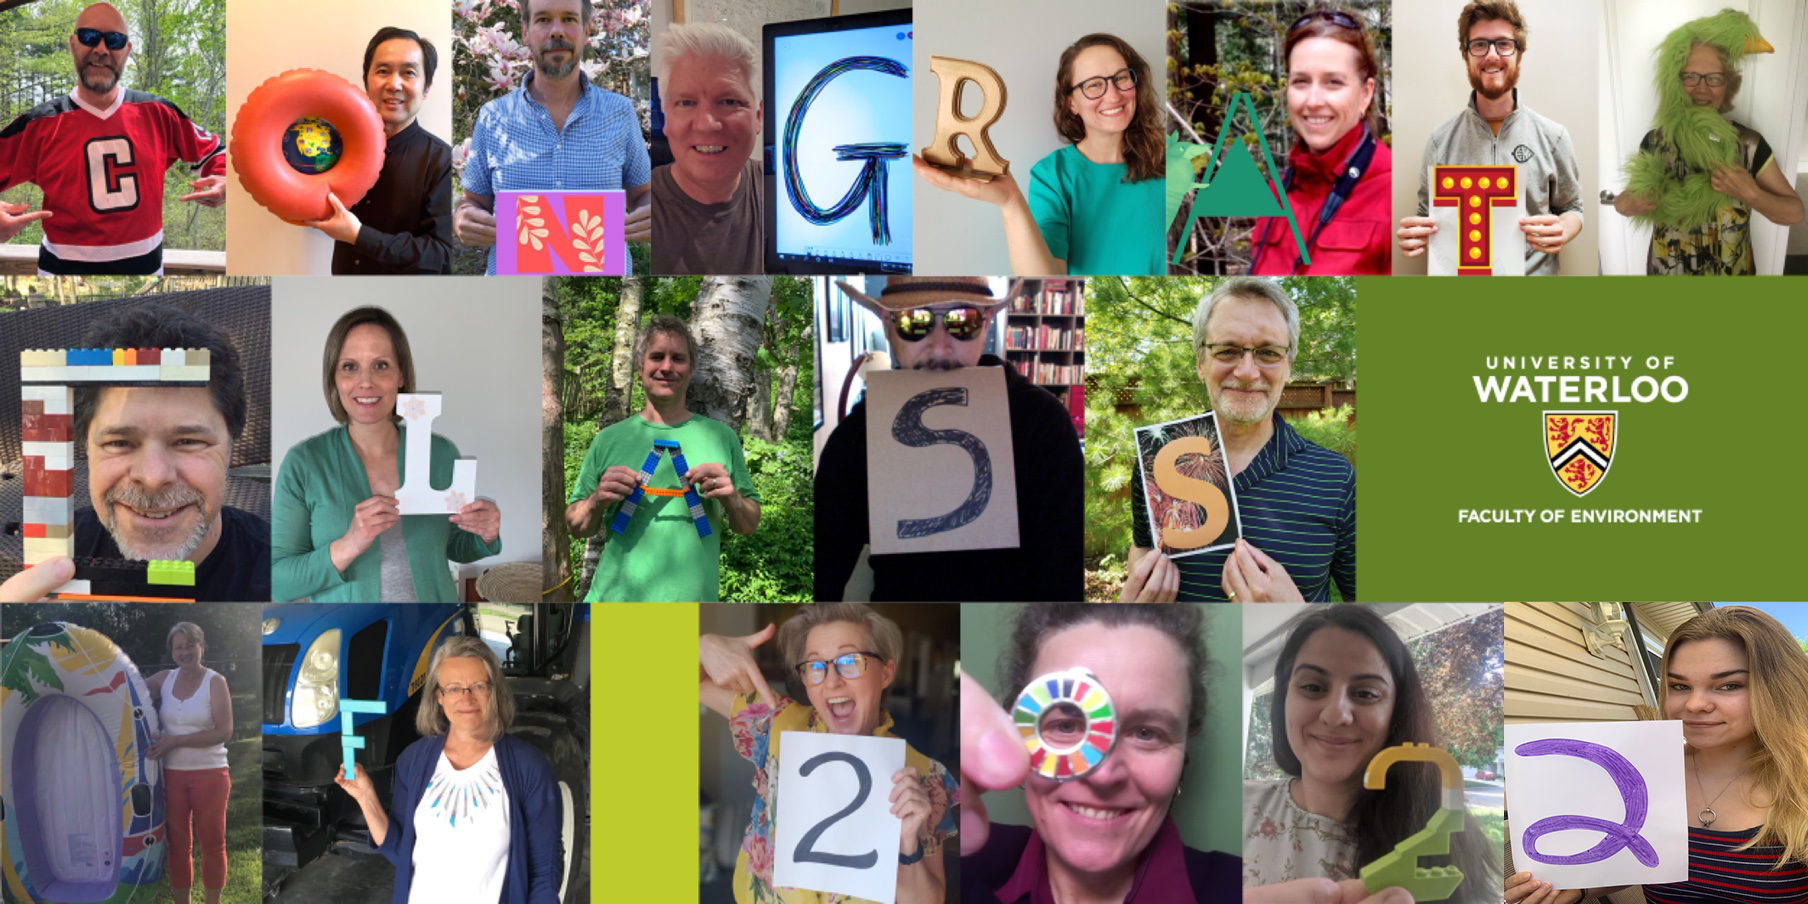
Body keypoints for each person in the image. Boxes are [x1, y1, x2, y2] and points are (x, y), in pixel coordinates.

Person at [1508, 605, 1808, 904]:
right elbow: (1634, 861)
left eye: (1729, 685)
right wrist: (1577, 887)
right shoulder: (1644, 770)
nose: (1694, 704)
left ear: (1779, 690)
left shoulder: (1801, 785)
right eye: (1680, 685)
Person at [813, 276, 1083, 602]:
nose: (940, 347)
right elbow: (822, 571)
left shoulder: (1044, 424)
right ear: (888, 326)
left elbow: (1066, 574)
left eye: (962, 322)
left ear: (986, 326)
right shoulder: (854, 439)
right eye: (915, 321)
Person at [960, 604, 1239, 902]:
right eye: (1065, 726)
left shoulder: (1238, 887)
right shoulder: (965, 864)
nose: (1103, 775)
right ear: (1014, 733)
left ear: (1184, 749)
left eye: (1146, 733)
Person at [0, 303, 269, 603]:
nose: (153, 477)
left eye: (188, 441)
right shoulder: (51, 564)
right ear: (86, 448)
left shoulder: (282, 577)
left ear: (231, 446)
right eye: (119, 443)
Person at [699, 603, 956, 903]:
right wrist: (703, 646)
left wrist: (907, 845)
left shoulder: (927, 776)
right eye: (816, 666)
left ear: (886, 673)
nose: (832, 681)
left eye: (849, 661)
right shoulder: (775, 720)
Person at [1120, 278, 1354, 603]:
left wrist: (1295, 616)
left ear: (1288, 367)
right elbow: (1143, 545)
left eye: (1268, 352)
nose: (1246, 371)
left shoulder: (1336, 477)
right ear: (1201, 363)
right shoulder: (1159, 458)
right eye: (1227, 350)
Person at [1245, 606, 1496, 904]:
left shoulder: (1446, 835)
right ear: (1283, 700)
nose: (1336, 714)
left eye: (1365, 694)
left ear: (1395, 712)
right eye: (1312, 687)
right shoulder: (1239, 806)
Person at [271, 306, 502, 602]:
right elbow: (279, 582)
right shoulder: (303, 464)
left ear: (401, 375)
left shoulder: (442, 453)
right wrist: (350, 543)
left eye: (380, 365)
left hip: (435, 628)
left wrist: (485, 533)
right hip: (348, 635)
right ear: (334, 378)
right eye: (349, 366)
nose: (365, 382)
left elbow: (454, 545)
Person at [0, 2, 225, 275]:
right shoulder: (37, 124)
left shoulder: (160, 113)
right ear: (72, 44)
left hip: (148, 273)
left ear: (127, 50)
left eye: (115, 40)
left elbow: (215, 153)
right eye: (89, 37)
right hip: (60, 273)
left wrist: (225, 182)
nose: (101, 49)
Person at [913, 33, 1164, 276]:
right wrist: (1011, 203)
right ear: (1071, 103)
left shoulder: (1178, 162)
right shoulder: (1052, 175)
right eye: (1094, 85)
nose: (1113, 94)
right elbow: (1048, 277)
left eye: (1121, 78)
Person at [335, 636, 560, 904]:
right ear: (439, 697)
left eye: (478, 686)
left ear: (494, 692)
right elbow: (400, 851)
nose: (466, 698)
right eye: (453, 688)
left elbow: (544, 874)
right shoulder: (414, 760)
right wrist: (366, 796)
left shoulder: (528, 767)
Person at [565, 316, 759, 602]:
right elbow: (576, 527)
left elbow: (748, 525)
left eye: (678, 358)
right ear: (640, 367)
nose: (667, 367)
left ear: (691, 369)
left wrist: (732, 498)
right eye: (657, 357)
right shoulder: (609, 439)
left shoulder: (721, 437)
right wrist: (597, 499)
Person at [455, 0, 652, 275]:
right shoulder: (493, 117)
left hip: (602, 282)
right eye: (544, 19)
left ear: (586, 31)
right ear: (525, 31)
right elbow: (473, 201)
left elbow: (643, 195)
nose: (557, 31)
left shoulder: (619, 113)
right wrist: (463, 216)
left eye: (569, 19)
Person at [1395, 1, 1584, 275]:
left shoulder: (1553, 136)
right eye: (1480, 45)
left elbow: (1573, 206)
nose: (1492, 55)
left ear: (1519, 53)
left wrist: (1566, 227)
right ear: (1466, 55)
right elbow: (1426, 214)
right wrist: (1415, 233)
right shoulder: (1440, 141)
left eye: (1504, 44)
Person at [1614, 11, 1803, 275]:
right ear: (1676, 82)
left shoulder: (1748, 145)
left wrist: (1752, 195)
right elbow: (1625, 203)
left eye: (1714, 78)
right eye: (1691, 77)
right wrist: (1627, 204)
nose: (1702, 89)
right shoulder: (1656, 141)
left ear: (1728, 84)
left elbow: (1795, 213)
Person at [301, 27, 455, 274]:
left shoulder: (443, 161)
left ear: (426, 89)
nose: (393, 84)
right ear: (366, 81)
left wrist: (359, 236)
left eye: (408, 73)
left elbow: (442, 255)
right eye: (383, 71)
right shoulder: (334, 147)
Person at [1250, 9, 1392, 276]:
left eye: (1333, 83)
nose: (1313, 101)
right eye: (1301, 82)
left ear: (1365, 93)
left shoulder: (1398, 194)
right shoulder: (1275, 193)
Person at [651, 22, 763, 275]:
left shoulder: (786, 193)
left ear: (758, 116)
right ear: (666, 119)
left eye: (728, 101)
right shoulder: (626, 205)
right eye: (686, 102)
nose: (706, 124)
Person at [146, 621, 233, 904]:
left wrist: (174, 741)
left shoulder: (215, 681)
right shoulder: (163, 679)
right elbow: (125, 694)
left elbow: (224, 731)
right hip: (172, 775)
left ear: (202, 648)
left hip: (211, 774)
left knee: (212, 843)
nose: (185, 652)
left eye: (190, 646)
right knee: (178, 845)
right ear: (172, 653)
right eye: (178, 647)